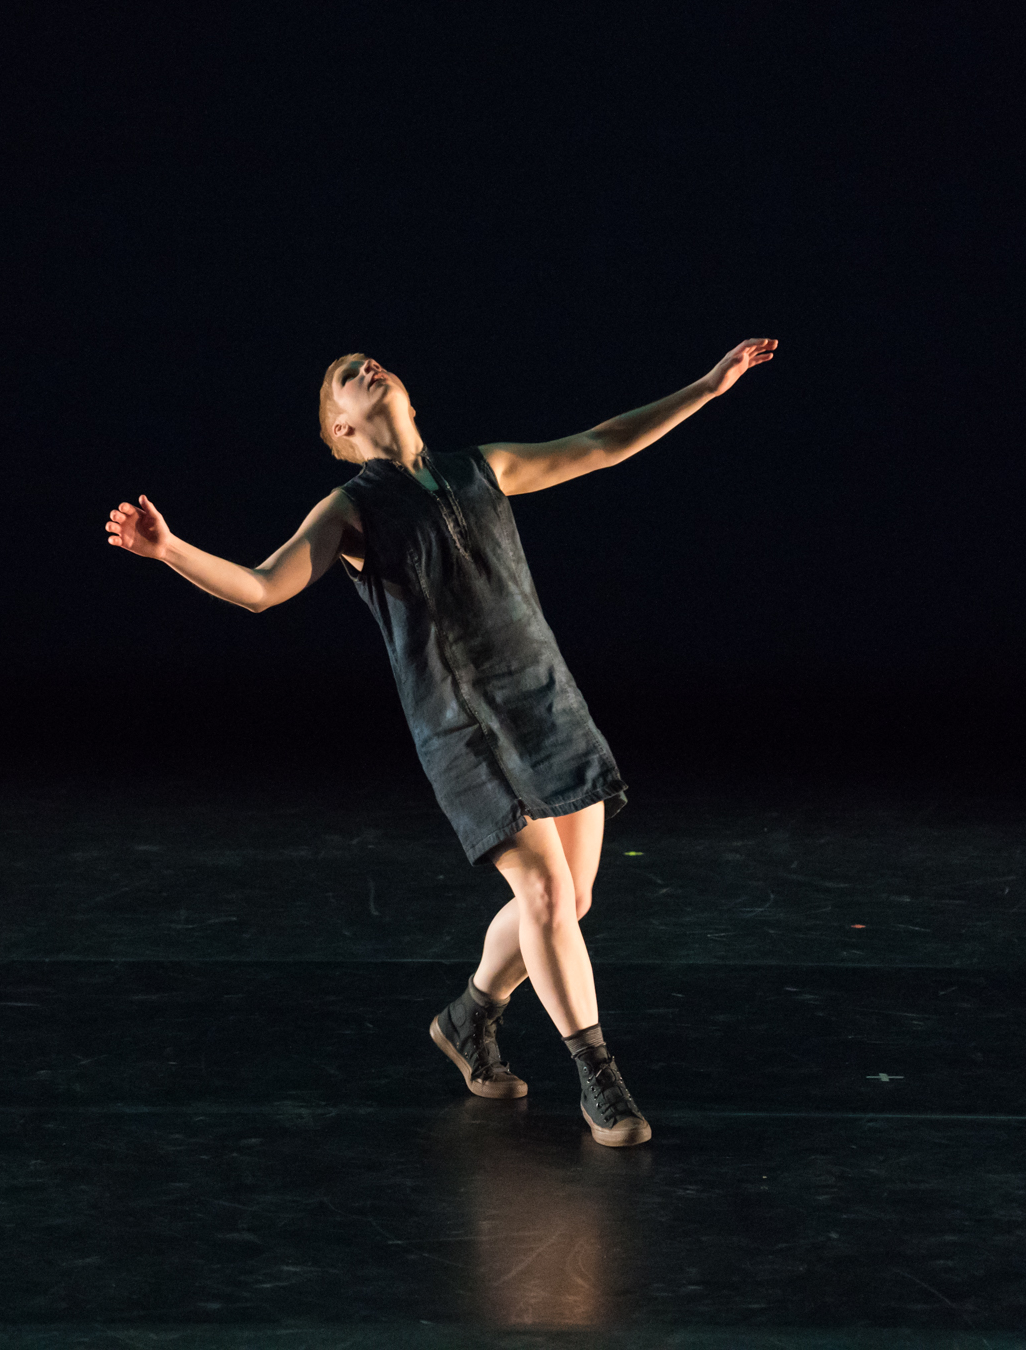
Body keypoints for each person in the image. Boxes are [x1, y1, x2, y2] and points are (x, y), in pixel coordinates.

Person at [104, 337, 778, 1146]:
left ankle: (470, 1016)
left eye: (370, 363)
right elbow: (262, 588)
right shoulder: (350, 510)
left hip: (547, 705)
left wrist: (707, 386)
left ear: (408, 399)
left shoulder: (483, 468)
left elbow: (602, 444)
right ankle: (599, 1077)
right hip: (462, 731)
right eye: (346, 377)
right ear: (342, 428)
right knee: (544, 895)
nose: (366, 369)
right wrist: (168, 550)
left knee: (570, 902)